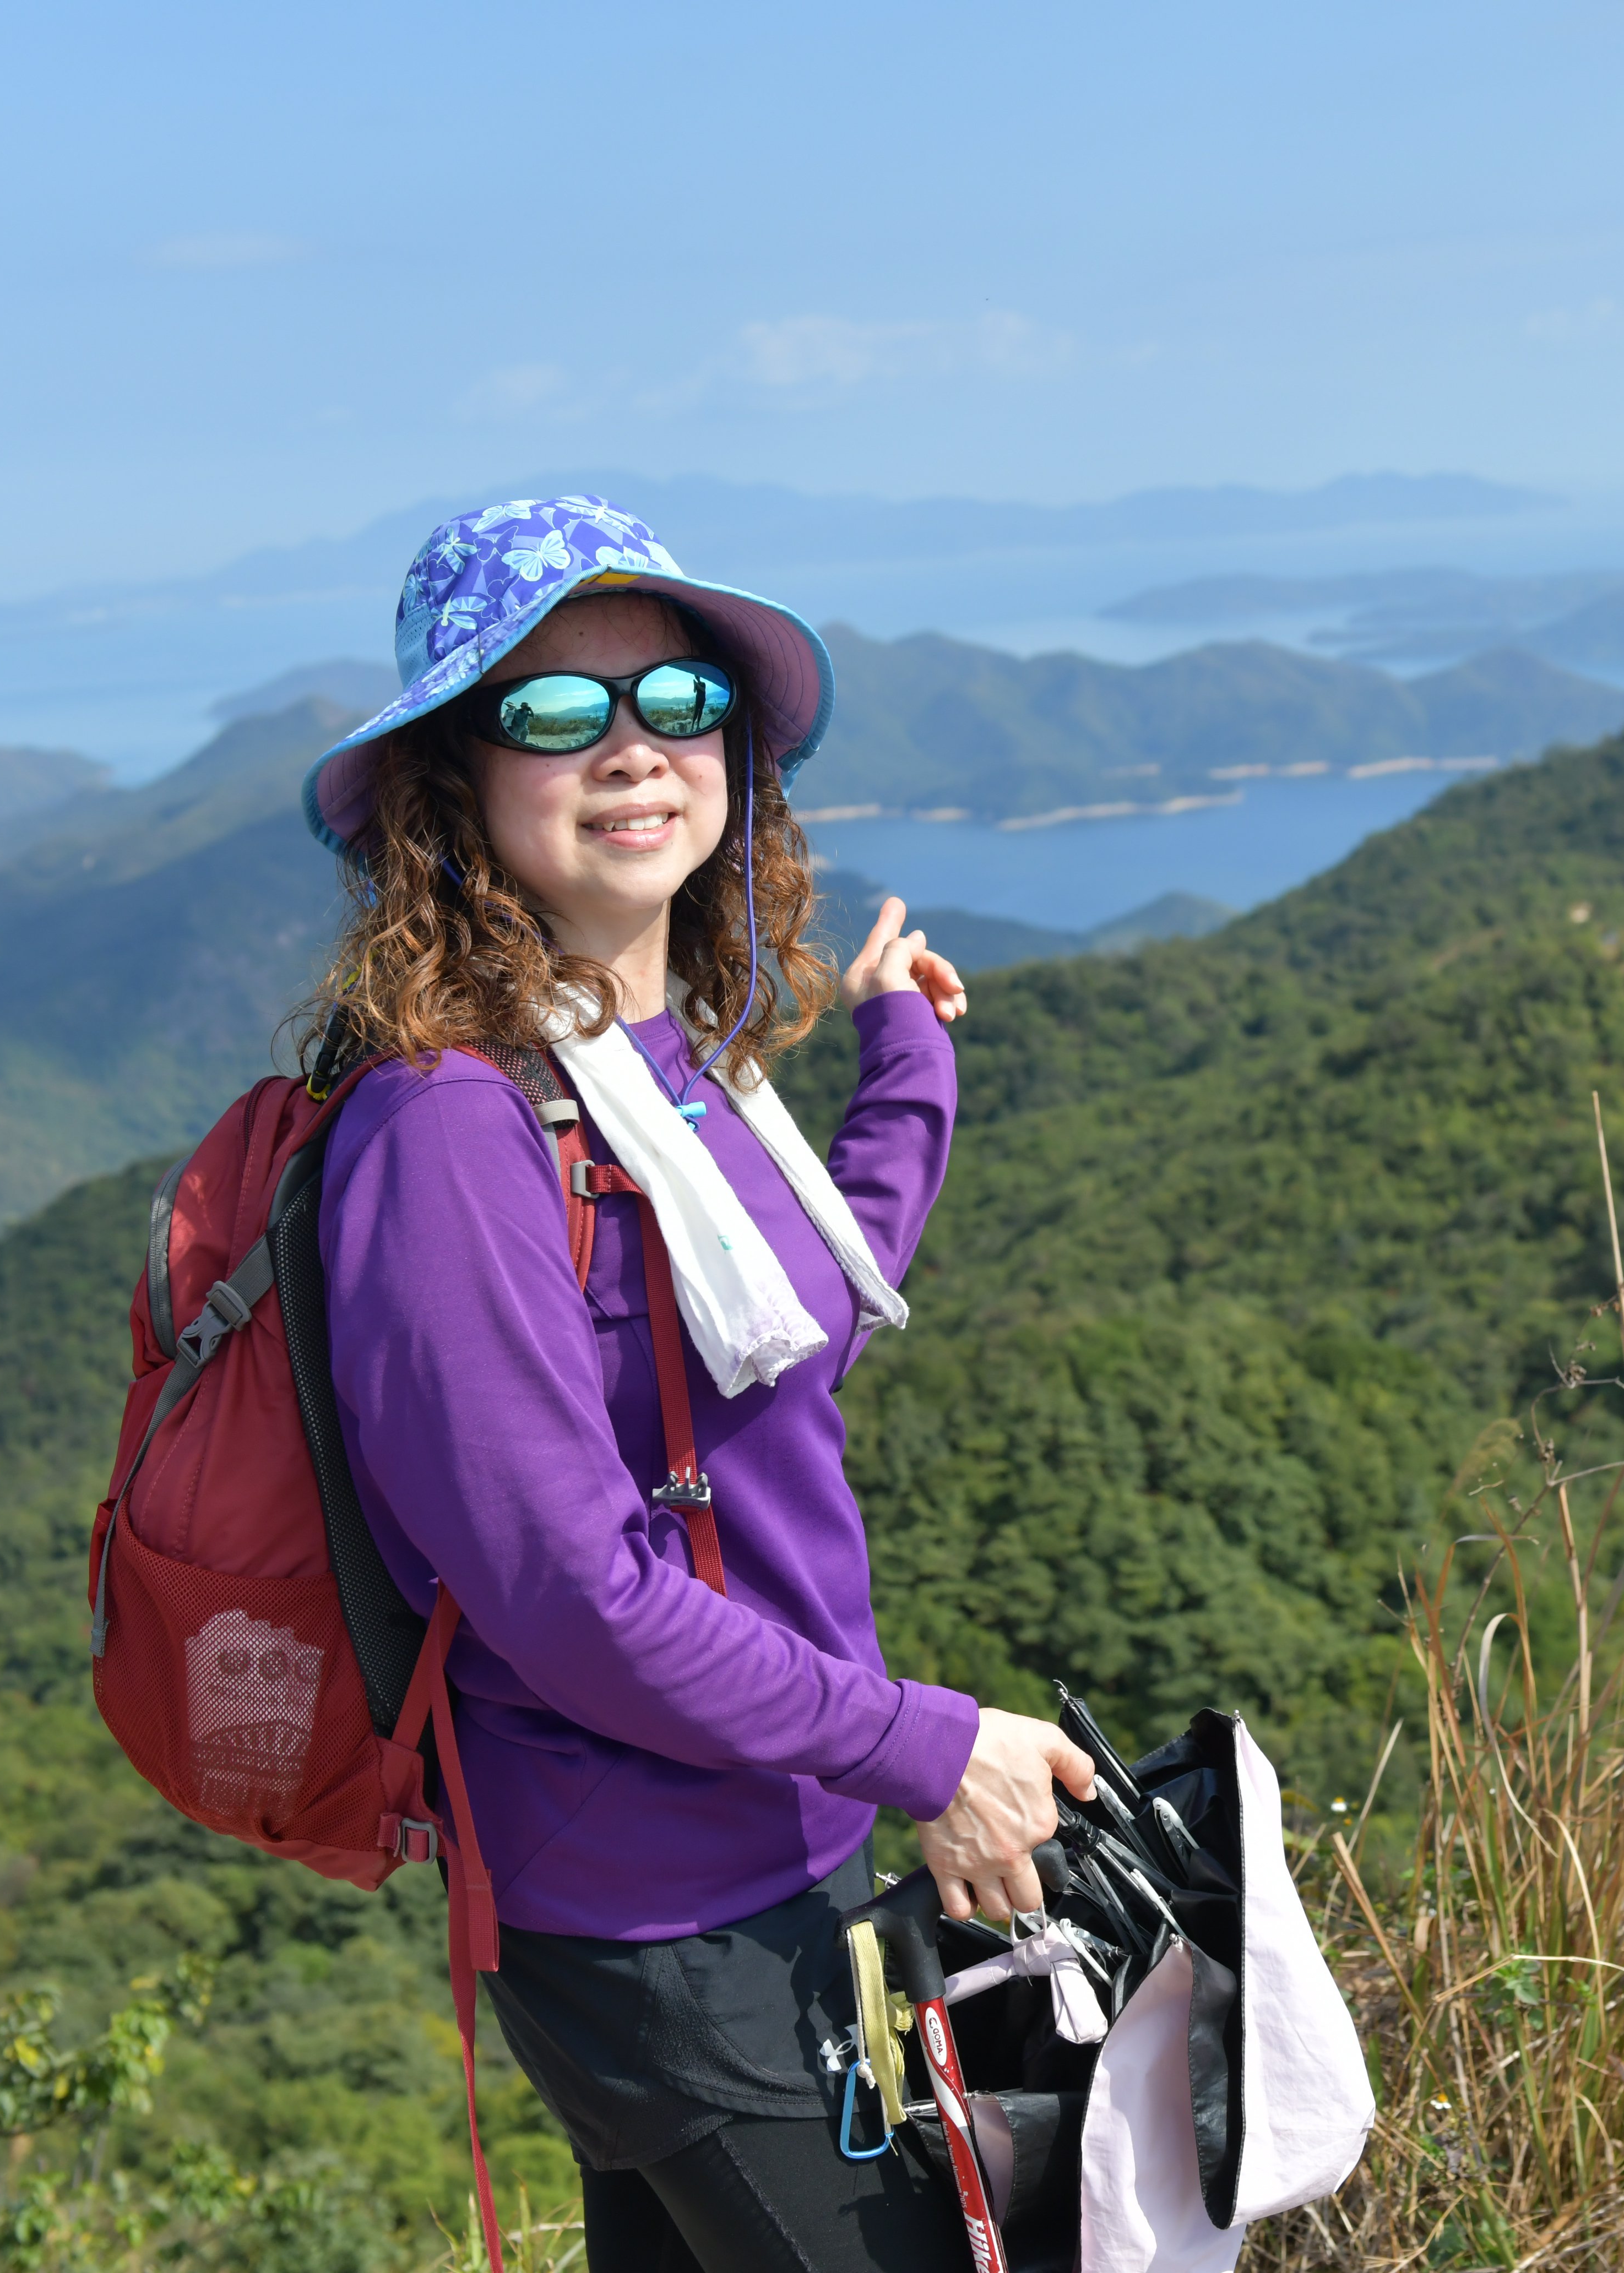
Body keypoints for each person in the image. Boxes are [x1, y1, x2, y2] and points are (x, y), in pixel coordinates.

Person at [291, 497, 1096, 2273]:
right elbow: (569, 1593)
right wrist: (925, 1747)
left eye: (677, 699)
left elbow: (798, 1311)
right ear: (452, 778)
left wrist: (905, 1059)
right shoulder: (452, 1131)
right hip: (647, 1905)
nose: (634, 747)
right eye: (552, 711)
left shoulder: (667, 1068)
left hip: (763, 1844)